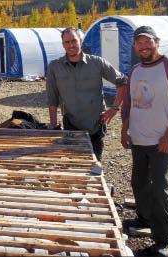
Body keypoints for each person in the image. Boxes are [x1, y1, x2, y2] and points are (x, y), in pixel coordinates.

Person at [120, 26, 168, 257]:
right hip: (138, 139)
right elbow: (129, 104)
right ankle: (144, 218)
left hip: (162, 140)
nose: (143, 46)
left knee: (159, 188)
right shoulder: (135, 71)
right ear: (135, 47)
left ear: (156, 42)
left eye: (147, 42)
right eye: (139, 43)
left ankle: (164, 240)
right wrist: (124, 129)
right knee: (138, 183)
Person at [46, 27, 127, 161]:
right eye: (67, 42)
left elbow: (122, 81)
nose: (71, 45)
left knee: (94, 167)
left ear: (81, 41)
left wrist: (115, 108)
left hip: (95, 126)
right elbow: (52, 98)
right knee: (75, 166)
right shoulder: (55, 67)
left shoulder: (97, 63)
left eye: (74, 41)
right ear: (62, 45)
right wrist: (54, 125)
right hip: (71, 127)